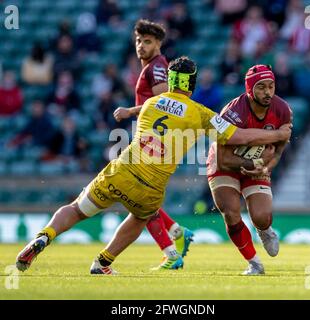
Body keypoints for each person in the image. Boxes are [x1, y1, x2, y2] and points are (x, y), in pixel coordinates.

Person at [16, 56, 292, 275]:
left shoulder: (150, 103)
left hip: (122, 170)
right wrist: (278, 135)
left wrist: (126, 111)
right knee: (140, 217)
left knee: (77, 209)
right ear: (191, 84)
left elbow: (142, 109)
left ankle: (44, 236)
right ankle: (102, 262)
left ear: (170, 81)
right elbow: (240, 136)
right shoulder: (200, 113)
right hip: (151, 186)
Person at [113, 19, 194, 270]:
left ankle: (171, 252)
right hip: (150, 137)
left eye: (147, 41)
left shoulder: (157, 67)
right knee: (142, 196)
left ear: (159, 43)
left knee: (139, 196)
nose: (141, 46)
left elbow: (163, 100)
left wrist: (129, 111)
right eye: (138, 41)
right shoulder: (151, 66)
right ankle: (177, 231)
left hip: (153, 139)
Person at [206, 64, 292, 275]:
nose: (267, 92)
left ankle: (264, 230)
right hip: (223, 165)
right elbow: (224, 159)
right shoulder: (233, 112)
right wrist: (256, 163)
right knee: (231, 212)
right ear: (249, 89)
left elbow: (279, 150)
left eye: (271, 86)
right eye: (261, 87)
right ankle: (254, 263)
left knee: (262, 216)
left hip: (257, 165)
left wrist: (266, 167)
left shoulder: (282, 110)